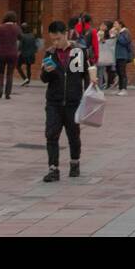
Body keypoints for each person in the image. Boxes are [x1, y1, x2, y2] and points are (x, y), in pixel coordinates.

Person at [40, 19, 96, 182]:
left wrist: (89, 89)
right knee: (51, 134)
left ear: (65, 34)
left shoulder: (79, 51)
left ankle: (74, 163)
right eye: (53, 39)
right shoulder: (50, 53)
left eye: (58, 38)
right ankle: (53, 168)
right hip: (53, 101)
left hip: (73, 101)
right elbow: (44, 79)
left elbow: (86, 71)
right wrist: (47, 72)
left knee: (73, 135)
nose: (56, 43)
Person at [0, 11, 22, 100]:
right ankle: (7, 93)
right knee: (10, 74)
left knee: (0, 72)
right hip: (12, 53)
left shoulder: (0, 27)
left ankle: (0, 91)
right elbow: (21, 38)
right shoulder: (16, 28)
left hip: (1, 53)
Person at [112, 20, 134, 95]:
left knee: (122, 72)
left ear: (120, 25)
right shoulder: (118, 32)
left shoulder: (125, 32)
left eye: (115, 24)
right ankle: (120, 88)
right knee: (118, 72)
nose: (114, 25)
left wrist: (117, 34)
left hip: (123, 55)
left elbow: (124, 42)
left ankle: (124, 89)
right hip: (117, 55)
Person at [96, 21, 117, 90]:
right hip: (98, 54)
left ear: (107, 27)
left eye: (104, 25)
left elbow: (109, 42)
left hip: (104, 55)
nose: (102, 26)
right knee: (99, 72)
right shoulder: (98, 32)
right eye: (101, 25)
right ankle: (100, 85)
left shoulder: (108, 34)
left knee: (101, 72)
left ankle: (101, 85)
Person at [18, 22, 38, 86]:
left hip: (24, 54)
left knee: (17, 66)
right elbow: (35, 46)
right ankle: (28, 81)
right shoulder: (32, 35)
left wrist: (18, 51)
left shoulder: (22, 36)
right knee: (28, 68)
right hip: (31, 54)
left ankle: (25, 78)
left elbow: (20, 46)